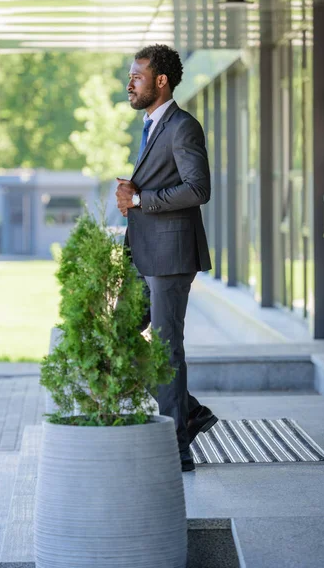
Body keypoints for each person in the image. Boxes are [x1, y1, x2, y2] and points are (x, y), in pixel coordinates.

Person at [116, 44, 218, 472]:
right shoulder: (151, 125)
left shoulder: (182, 127)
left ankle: (178, 446)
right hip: (145, 254)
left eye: (137, 75)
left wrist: (140, 198)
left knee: (166, 347)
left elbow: (199, 190)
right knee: (119, 333)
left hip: (172, 256)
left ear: (161, 81)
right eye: (131, 75)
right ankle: (189, 410)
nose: (130, 82)